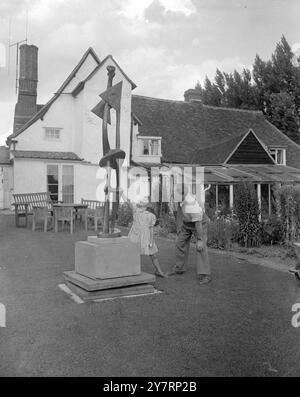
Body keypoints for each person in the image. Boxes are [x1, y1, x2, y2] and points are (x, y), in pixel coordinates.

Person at [168, 186, 212, 285]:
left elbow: (198, 223)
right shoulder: (180, 200)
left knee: (200, 247)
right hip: (187, 224)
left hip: (199, 223)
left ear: (183, 195)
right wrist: (179, 228)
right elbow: (179, 212)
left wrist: (200, 240)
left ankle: (206, 275)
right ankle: (179, 268)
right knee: (180, 243)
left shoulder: (192, 205)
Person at [128, 197, 166, 277]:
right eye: (140, 205)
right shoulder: (135, 211)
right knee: (134, 253)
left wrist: (151, 240)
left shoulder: (150, 215)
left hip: (146, 237)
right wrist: (122, 193)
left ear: (145, 206)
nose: (140, 207)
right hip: (136, 235)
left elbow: (151, 229)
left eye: (142, 205)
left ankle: (159, 271)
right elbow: (128, 203)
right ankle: (132, 271)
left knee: (153, 254)